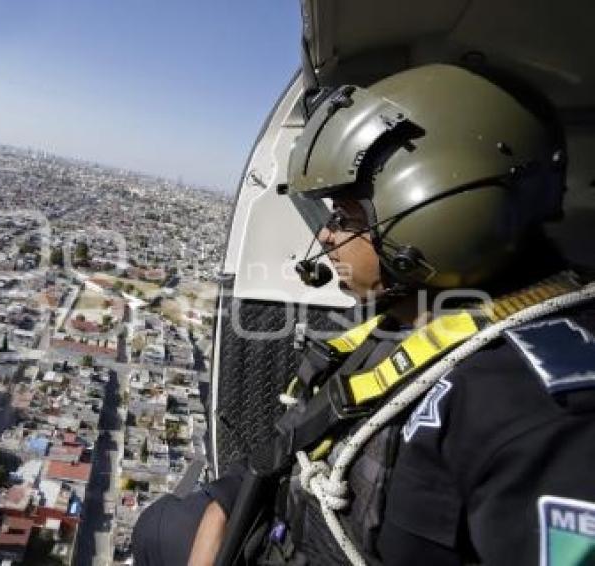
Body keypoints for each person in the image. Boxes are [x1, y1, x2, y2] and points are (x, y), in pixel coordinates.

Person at [132, 63, 595, 565]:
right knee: (159, 525)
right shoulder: (410, 319)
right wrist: (225, 511)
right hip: (287, 528)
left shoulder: (539, 416)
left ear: (436, 215)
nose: (327, 236)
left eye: (345, 217)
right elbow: (291, 446)